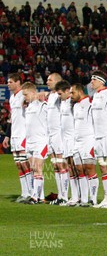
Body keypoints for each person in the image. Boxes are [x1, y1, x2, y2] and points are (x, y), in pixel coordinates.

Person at [89, 71, 107, 209]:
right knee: (102, 166)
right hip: (98, 136)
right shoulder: (94, 96)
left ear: (101, 81)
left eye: (94, 79)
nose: (91, 82)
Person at [4, 73, 32, 203]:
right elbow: (11, 118)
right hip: (15, 134)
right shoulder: (12, 97)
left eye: (10, 82)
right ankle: (24, 192)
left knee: (25, 164)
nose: (8, 84)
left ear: (18, 82)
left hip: (23, 134)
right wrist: (7, 136)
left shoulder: (24, 95)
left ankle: (32, 192)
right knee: (18, 164)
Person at [71, 83, 99, 207]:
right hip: (77, 142)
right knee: (79, 170)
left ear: (80, 91)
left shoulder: (91, 103)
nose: (71, 95)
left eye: (73, 93)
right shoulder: (75, 106)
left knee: (89, 168)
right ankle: (84, 199)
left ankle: (93, 199)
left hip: (89, 140)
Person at [22, 82, 48, 204]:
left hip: (41, 141)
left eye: (26, 94)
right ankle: (41, 197)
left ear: (33, 93)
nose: (24, 97)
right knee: (33, 168)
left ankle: (34, 197)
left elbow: (52, 96)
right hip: (30, 142)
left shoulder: (42, 105)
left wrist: (41, 94)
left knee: (38, 168)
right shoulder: (29, 107)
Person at [46, 73, 69, 205]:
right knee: (55, 166)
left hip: (60, 135)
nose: (47, 82)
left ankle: (65, 196)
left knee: (62, 165)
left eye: (50, 80)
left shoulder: (62, 97)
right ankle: (60, 195)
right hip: (51, 136)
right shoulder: (50, 96)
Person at [55, 80, 79, 206]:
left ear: (66, 91)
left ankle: (81, 197)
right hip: (65, 140)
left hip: (73, 139)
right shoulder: (63, 102)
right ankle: (75, 196)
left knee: (76, 169)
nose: (59, 96)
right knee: (71, 169)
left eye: (60, 94)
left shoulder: (72, 102)